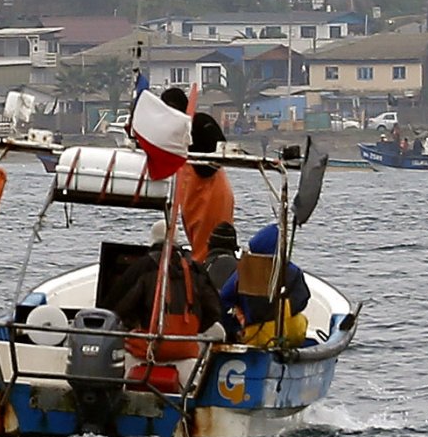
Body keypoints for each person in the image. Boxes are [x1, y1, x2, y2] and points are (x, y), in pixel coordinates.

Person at [107, 220, 221, 361]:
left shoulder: (142, 268)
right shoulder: (196, 270)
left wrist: (134, 326)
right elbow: (215, 310)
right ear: (177, 241)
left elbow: (116, 308)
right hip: (186, 352)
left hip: (147, 350)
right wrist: (194, 330)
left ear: (152, 240)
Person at [159, 87, 236, 264]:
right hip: (191, 196)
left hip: (211, 193)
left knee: (209, 244)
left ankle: (208, 271)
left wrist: (189, 138)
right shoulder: (174, 133)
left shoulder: (200, 122)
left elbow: (215, 156)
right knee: (197, 242)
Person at [219, 223, 311, 348]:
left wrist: (233, 327)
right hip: (285, 331)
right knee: (300, 321)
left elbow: (224, 300)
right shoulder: (291, 270)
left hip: (255, 335)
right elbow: (303, 298)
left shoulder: (243, 273)